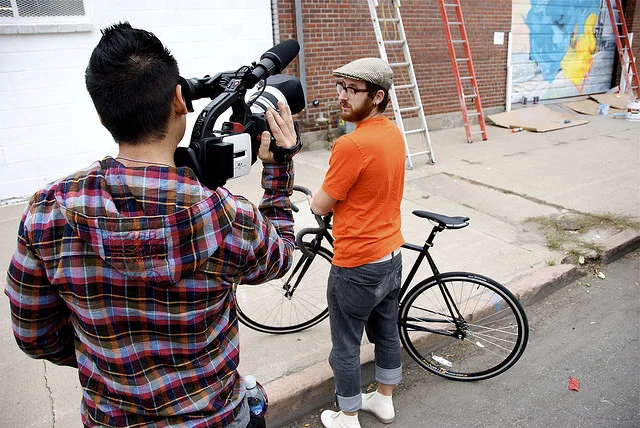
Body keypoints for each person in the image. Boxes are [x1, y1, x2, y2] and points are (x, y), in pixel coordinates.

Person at [5, 22, 299, 427]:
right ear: (180, 100)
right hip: (212, 416)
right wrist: (279, 169)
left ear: (101, 114)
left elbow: (34, 335)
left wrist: (108, 362)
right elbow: (281, 257)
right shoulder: (232, 218)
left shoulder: (47, 211)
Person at [311, 58, 405, 428]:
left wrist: (314, 201)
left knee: (346, 344)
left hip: (357, 262)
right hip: (390, 255)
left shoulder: (351, 144)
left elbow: (322, 204)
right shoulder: (393, 134)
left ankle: (348, 416)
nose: (342, 96)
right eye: (341, 88)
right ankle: (384, 400)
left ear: (378, 96)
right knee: (387, 333)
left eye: (353, 90)